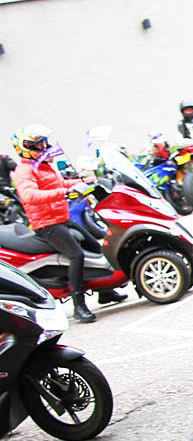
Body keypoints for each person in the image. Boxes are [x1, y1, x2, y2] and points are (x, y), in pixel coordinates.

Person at [10, 125, 125, 322]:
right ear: (26, 146)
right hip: (46, 225)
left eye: (44, 143)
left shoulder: (43, 165)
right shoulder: (24, 170)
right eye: (39, 143)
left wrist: (86, 181)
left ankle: (104, 291)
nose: (43, 146)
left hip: (62, 219)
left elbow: (61, 184)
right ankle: (79, 305)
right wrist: (63, 193)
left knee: (97, 248)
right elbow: (29, 195)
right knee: (76, 255)